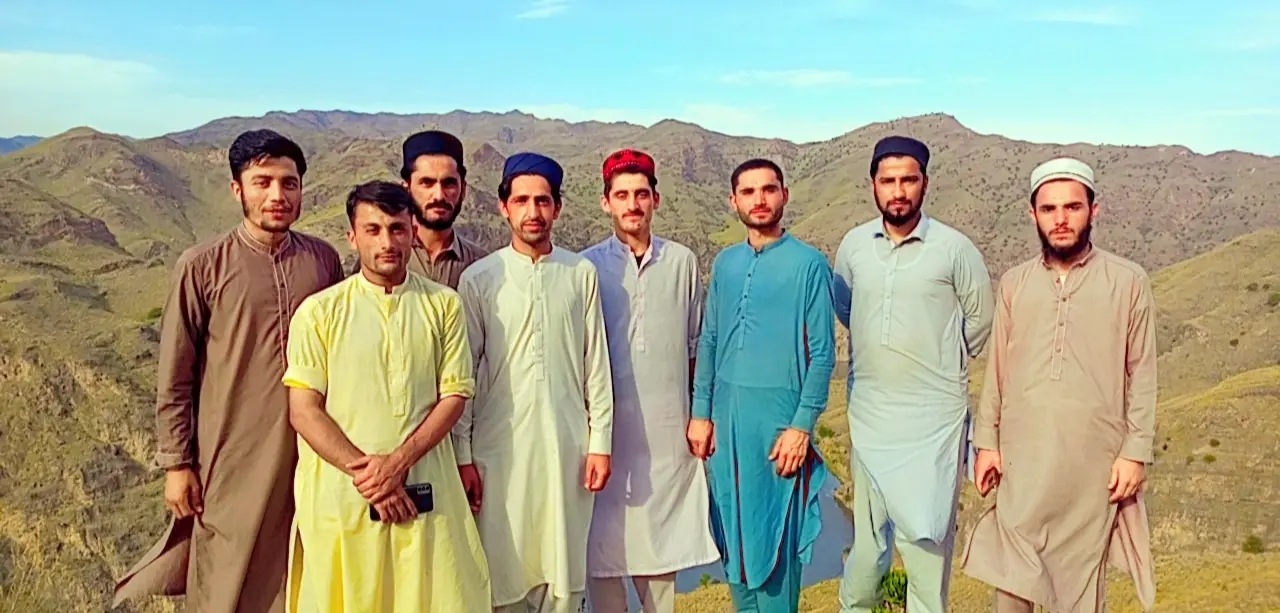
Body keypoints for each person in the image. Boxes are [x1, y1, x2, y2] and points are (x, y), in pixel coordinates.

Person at [112, 129, 346, 613]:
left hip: (310, 453)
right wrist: (177, 464)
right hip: (229, 458)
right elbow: (175, 374)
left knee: (302, 576)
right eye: (263, 182)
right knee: (224, 581)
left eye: (289, 183)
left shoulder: (321, 260)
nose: (277, 195)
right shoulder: (202, 266)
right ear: (237, 189)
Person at [281, 180, 491, 612]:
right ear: (352, 236)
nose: (387, 242)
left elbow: (454, 395)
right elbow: (303, 411)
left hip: (425, 490)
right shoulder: (319, 313)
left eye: (397, 229)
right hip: (343, 498)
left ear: (413, 232)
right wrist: (373, 480)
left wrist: (397, 464)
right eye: (373, 230)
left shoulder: (443, 305)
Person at [959, 157, 1157, 613]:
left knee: (1080, 589)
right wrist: (987, 443)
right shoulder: (1015, 283)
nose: (1061, 219)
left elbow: (1143, 373)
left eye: (1072, 207)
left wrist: (1135, 453)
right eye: (1049, 209)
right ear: (1033, 214)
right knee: (1011, 586)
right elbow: (998, 369)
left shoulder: (1128, 282)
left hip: (1091, 466)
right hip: (1022, 463)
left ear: (1093, 210)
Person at [831, 136, 994, 613]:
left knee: (925, 554)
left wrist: (937, 361)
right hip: (869, 416)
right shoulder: (854, 246)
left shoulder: (955, 249)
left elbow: (980, 321)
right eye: (888, 181)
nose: (898, 191)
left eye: (908, 180)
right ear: (873, 185)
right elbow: (847, 308)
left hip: (932, 426)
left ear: (925, 183)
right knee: (867, 554)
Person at [453, 151, 615, 613]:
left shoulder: (579, 273)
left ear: (557, 207)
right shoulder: (480, 279)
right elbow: (464, 377)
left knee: (563, 569)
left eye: (542, 201)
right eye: (521, 200)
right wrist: (463, 456)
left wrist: (600, 443)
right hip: (498, 452)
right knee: (503, 571)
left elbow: (595, 364)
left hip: (568, 449)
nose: (532, 212)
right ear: (503, 207)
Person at [691, 158, 836, 613]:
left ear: (784, 195)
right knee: (733, 540)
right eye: (748, 192)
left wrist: (801, 426)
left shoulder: (809, 264)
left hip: (778, 431)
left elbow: (823, 354)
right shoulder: (726, 262)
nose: (759, 200)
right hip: (727, 430)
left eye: (768, 189)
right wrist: (700, 413)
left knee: (774, 546)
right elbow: (710, 339)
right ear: (733, 200)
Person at [580, 149, 720, 613]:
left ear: (656, 199)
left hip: (666, 441)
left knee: (661, 569)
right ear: (606, 202)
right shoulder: (585, 268)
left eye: (641, 194)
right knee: (601, 563)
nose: (632, 204)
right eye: (622, 195)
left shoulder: (682, 262)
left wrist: (701, 414)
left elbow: (696, 345)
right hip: (603, 441)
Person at [347, 130, 487, 288]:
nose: (439, 195)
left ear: (463, 190)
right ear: (406, 188)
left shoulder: (481, 266)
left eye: (449, 183)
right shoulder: (384, 257)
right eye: (427, 183)